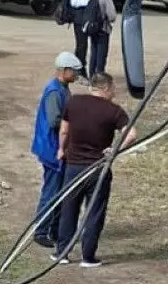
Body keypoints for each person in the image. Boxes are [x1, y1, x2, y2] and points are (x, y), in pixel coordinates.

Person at [53, 72, 137, 268]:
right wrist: (115, 149)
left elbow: (64, 130)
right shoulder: (114, 111)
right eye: (113, 88)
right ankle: (88, 257)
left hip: (74, 167)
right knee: (94, 212)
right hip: (98, 168)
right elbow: (132, 134)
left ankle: (62, 253)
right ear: (106, 88)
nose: (114, 92)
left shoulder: (74, 102)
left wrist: (61, 149)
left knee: (69, 209)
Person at [30, 51, 84, 248]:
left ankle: (55, 229)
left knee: (60, 191)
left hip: (56, 148)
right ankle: (41, 231)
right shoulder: (54, 92)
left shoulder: (63, 88)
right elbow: (54, 120)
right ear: (64, 70)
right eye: (74, 71)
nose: (77, 75)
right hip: (51, 149)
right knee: (52, 191)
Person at [66, 0, 97, 79]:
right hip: (79, 20)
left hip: (84, 19)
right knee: (81, 46)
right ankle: (79, 69)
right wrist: (88, 1)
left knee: (83, 46)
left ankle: (78, 68)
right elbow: (73, 2)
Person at [84, 0, 117, 77]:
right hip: (103, 29)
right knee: (101, 55)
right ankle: (99, 77)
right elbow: (112, 16)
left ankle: (91, 76)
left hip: (92, 28)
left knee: (94, 53)